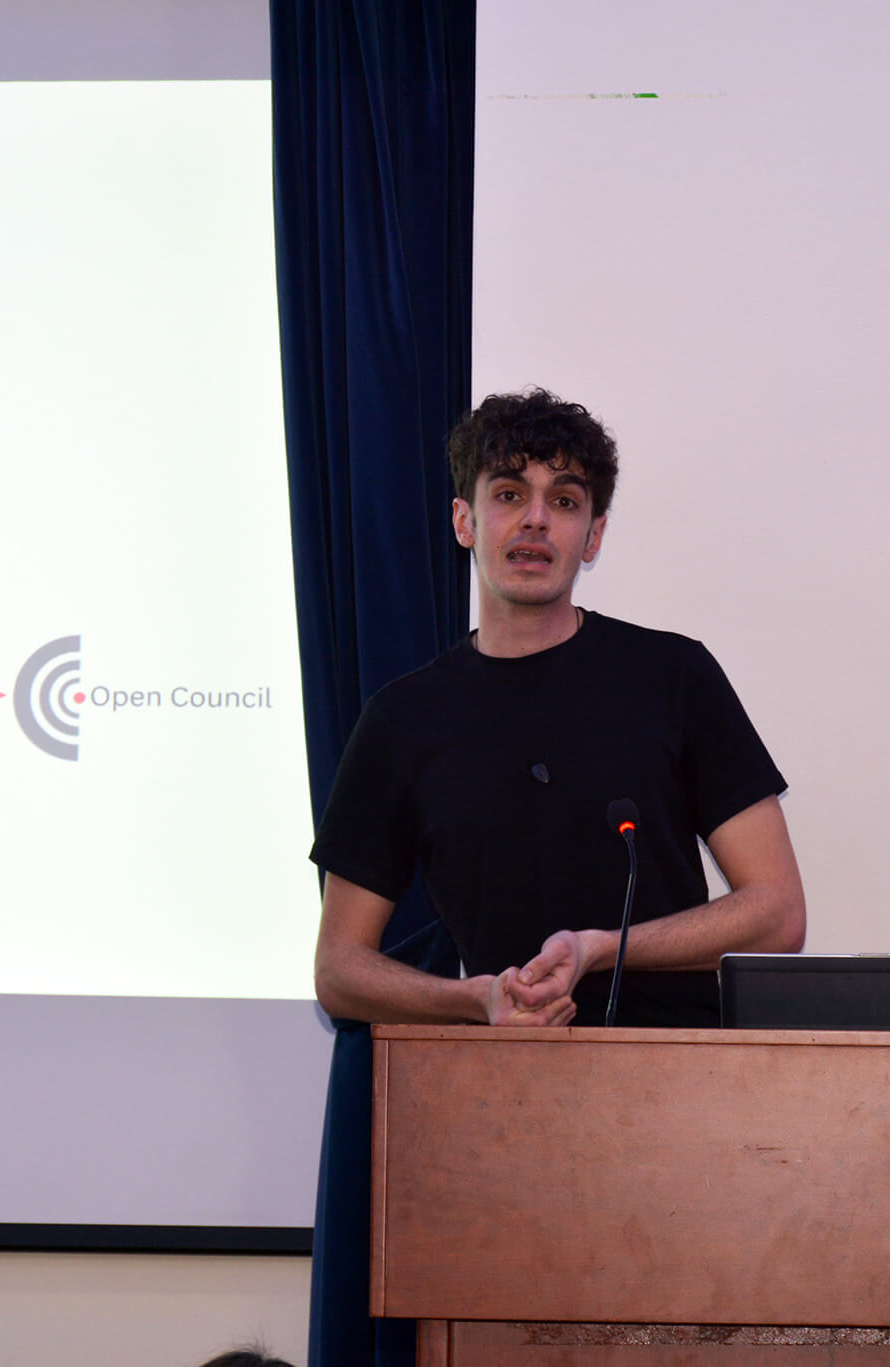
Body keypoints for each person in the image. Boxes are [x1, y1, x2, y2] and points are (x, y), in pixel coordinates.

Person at [310, 388, 805, 1028]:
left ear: (593, 536)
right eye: (509, 494)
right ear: (464, 521)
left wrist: (600, 949)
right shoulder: (400, 720)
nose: (536, 519)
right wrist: (477, 1000)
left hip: (679, 1069)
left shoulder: (675, 676)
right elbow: (339, 970)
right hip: (502, 1075)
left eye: (564, 501)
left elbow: (778, 914)